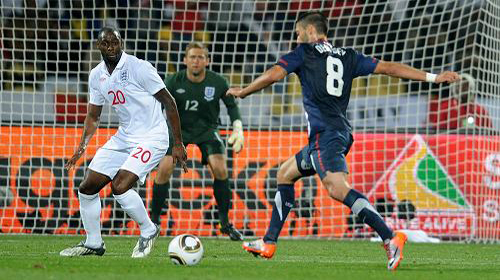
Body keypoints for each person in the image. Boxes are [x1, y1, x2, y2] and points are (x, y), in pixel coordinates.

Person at [226, 11, 460, 270]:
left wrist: (244, 91)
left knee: (336, 188)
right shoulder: (349, 56)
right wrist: (433, 77)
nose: (296, 37)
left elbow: (274, 74)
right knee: (285, 173)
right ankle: (268, 241)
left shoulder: (304, 52)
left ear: (311, 32)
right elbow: (389, 68)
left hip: (325, 135)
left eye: (298, 32)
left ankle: (390, 237)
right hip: (338, 132)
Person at [59, 26, 188, 258]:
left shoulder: (139, 67)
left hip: (153, 136)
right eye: (106, 43)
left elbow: (169, 102)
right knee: (87, 188)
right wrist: (81, 146)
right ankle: (94, 242)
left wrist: (177, 143)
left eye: (115, 42)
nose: (111, 47)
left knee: (119, 186)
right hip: (125, 136)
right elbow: (93, 115)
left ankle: (149, 230)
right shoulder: (96, 75)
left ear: (122, 43)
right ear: (99, 46)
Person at [150, 42, 244, 241]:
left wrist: (238, 126)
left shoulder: (218, 82)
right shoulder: (174, 81)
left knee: (220, 168)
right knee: (164, 168)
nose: (196, 61)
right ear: (185, 60)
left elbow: (231, 106)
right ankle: (154, 222)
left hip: (207, 130)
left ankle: (225, 223)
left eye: (200, 57)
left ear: (207, 61)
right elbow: (157, 106)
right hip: (178, 132)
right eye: (192, 57)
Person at [428, 73, 493, 130]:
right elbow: (437, 132)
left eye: (465, 86)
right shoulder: (445, 108)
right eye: (459, 85)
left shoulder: (480, 111)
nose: (462, 88)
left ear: (472, 88)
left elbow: (489, 133)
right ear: (454, 88)